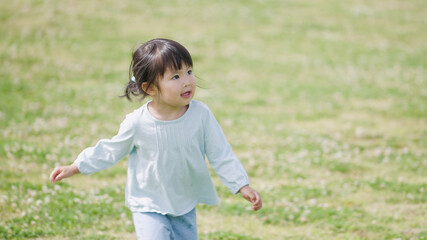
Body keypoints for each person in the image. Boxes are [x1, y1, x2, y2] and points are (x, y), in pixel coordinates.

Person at [49, 38, 262, 239]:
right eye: (176, 77)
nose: (187, 81)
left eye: (189, 72)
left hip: (184, 202)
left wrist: (241, 185)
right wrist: (77, 166)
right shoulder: (137, 123)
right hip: (148, 203)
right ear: (149, 88)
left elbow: (220, 152)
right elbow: (111, 150)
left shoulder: (201, 115)